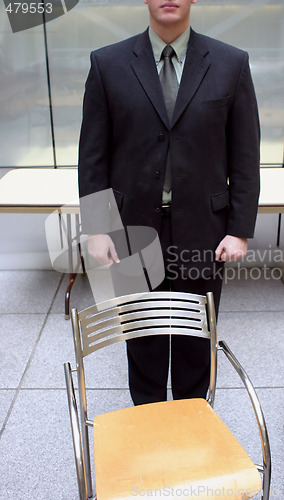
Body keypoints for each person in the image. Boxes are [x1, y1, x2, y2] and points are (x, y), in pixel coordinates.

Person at [78, 0, 260, 405]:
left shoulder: (231, 63)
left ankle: (192, 421)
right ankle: (148, 420)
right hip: (133, 229)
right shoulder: (108, 63)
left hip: (207, 229)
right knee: (144, 335)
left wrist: (239, 229)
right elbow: (93, 155)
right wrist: (96, 228)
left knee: (196, 335)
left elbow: (245, 154)